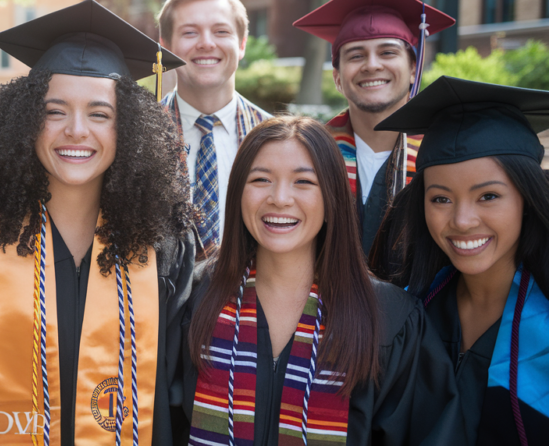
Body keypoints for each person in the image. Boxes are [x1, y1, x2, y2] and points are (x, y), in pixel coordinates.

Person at [0, 0, 196, 445]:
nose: (76, 130)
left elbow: (178, 392)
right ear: (25, 121)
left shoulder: (164, 241)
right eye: (55, 111)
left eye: (100, 114)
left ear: (129, 128)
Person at [177, 115, 458, 446]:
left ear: (332, 199)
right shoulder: (196, 298)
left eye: (303, 182)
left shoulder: (388, 319)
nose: (280, 198)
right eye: (261, 180)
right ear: (238, 194)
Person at [374, 76, 549, 444]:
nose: (462, 221)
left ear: (526, 198)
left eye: (488, 196)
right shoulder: (407, 315)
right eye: (441, 198)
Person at [293, 0, 454, 255]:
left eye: (387, 52)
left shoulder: (447, 150)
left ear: (414, 68)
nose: (372, 65)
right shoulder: (310, 152)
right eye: (356, 56)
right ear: (337, 78)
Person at [157, 0, 271, 256]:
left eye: (221, 31)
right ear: (165, 46)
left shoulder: (274, 137)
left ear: (241, 44)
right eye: (190, 33)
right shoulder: (138, 134)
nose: (206, 43)